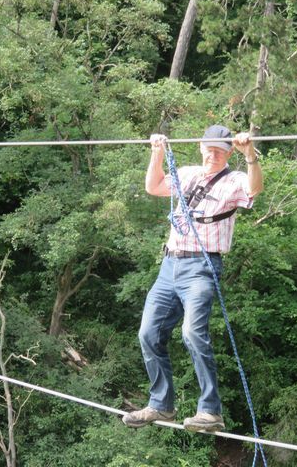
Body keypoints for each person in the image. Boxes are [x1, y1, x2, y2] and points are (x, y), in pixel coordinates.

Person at [122, 125, 263, 432]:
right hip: (169, 266)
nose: (212, 155)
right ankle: (161, 405)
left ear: (228, 153)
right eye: (209, 148)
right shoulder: (187, 173)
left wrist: (249, 155)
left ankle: (210, 410)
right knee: (148, 333)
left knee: (192, 333)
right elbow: (154, 186)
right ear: (200, 146)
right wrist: (157, 153)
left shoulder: (234, 180)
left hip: (201, 267)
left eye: (219, 151)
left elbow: (254, 189)